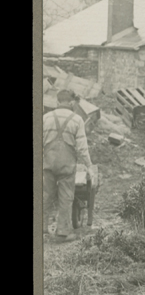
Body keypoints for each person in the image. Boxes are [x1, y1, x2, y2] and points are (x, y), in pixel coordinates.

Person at [43, 90, 93, 242]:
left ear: (57, 102)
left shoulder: (45, 117)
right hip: (66, 165)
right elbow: (82, 148)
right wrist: (89, 166)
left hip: (47, 163)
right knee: (66, 197)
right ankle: (63, 232)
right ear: (71, 103)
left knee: (45, 196)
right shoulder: (77, 120)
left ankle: (41, 229)